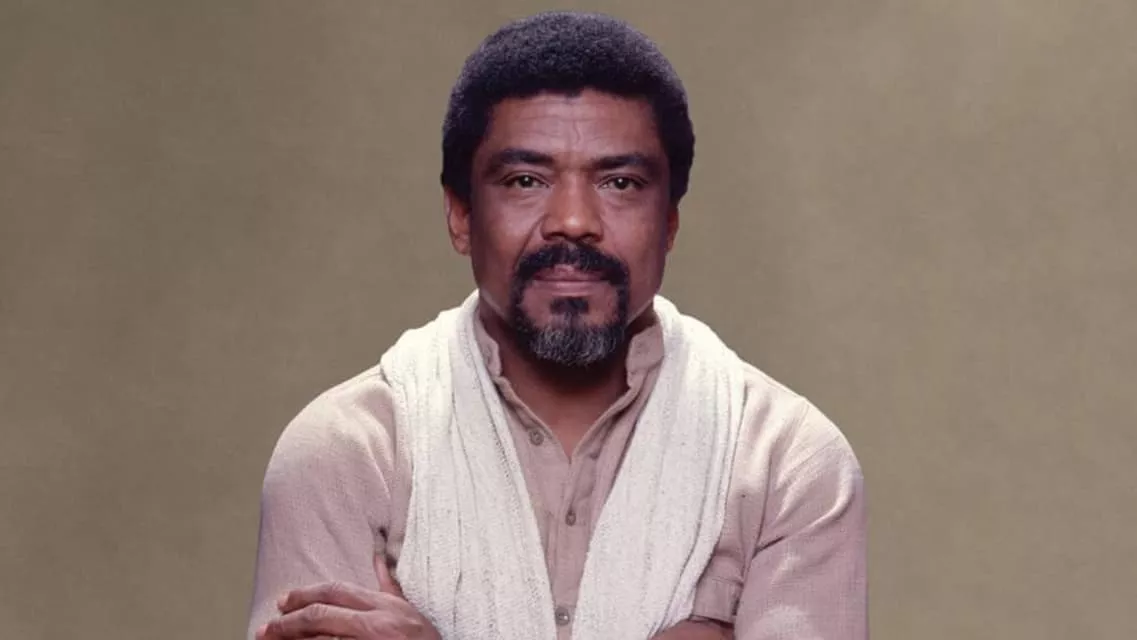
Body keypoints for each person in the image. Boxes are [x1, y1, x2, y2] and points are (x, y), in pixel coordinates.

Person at [247, 11, 866, 640]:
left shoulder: (788, 463)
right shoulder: (346, 456)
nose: (573, 221)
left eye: (620, 182)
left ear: (670, 223)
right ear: (461, 215)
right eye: (525, 180)